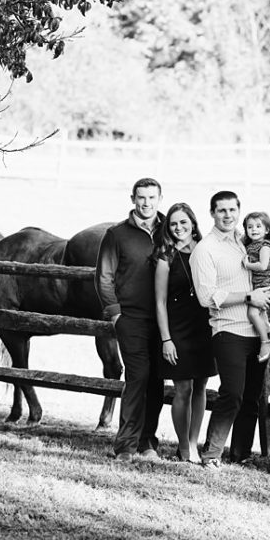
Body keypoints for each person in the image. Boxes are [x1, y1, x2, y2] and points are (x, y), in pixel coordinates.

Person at [190, 191, 270, 469]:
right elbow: (206, 297)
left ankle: (240, 453)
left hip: (257, 331)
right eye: (221, 210)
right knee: (232, 393)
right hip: (228, 331)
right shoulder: (206, 249)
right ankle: (212, 453)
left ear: (239, 211)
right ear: (212, 213)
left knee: (251, 396)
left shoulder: (245, 242)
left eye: (232, 210)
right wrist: (249, 297)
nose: (227, 215)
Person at [95, 177, 166, 463]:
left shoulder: (169, 231)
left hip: (163, 322)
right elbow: (103, 276)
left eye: (151, 198)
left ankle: (148, 442)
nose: (146, 203)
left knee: (157, 382)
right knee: (137, 377)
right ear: (132, 199)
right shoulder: (117, 234)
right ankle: (126, 444)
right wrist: (116, 314)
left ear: (159, 198)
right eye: (141, 197)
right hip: (131, 318)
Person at [153, 202, 215, 463]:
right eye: (174, 223)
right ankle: (183, 447)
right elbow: (159, 301)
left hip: (204, 325)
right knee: (183, 389)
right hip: (177, 327)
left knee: (201, 385)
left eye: (183, 222)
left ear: (193, 223)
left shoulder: (206, 251)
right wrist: (166, 339)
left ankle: (192, 442)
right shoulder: (165, 257)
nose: (179, 227)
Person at [241, 211, 270, 362]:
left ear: (267, 230)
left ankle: (266, 342)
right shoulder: (251, 244)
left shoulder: (264, 246)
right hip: (257, 287)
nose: (254, 230)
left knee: (252, 314)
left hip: (265, 287)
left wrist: (247, 265)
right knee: (257, 314)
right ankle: (266, 326)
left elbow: (262, 266)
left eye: (258, 226)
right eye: (250, 227)